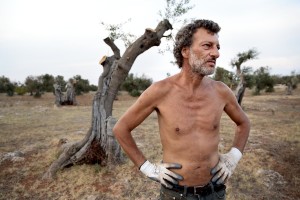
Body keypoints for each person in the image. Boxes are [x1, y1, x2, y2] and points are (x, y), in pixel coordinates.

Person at [113, 19, 250, 200]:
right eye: (208, 46)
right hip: (176, 193)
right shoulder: (160, 91)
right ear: (185, 51)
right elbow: (121, 128)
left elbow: (243, 122)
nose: (216, 53)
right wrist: (147, 168)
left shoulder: (221, 91)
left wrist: (234, 156)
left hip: (214, 191)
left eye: (218, 47)